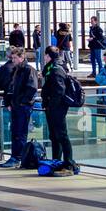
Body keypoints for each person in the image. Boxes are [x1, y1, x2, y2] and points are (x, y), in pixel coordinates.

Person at [40, 46, 78, 175]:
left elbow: (59, 91)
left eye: (45, 55)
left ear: (48, 56)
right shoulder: (53, 68)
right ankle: (57, 160)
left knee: (61, 135)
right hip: (53, 107)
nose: (44, 58)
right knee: (55, 136)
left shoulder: (56, 70)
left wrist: (51, 105)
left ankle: (68, 163)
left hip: (57, 108)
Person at [0, 47, 37, 169]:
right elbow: (10, 88)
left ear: (22, 57)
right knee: (15, 132)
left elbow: (31, 88)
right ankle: (15, 156)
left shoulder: (28, 70)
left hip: (22, 107)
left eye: (15, 57)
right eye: (12, 57)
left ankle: (18, 157)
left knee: (20, 133)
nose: (13, 60)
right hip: (15, 106)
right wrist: (9, 102)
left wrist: (22, 102)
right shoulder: (15, 70)